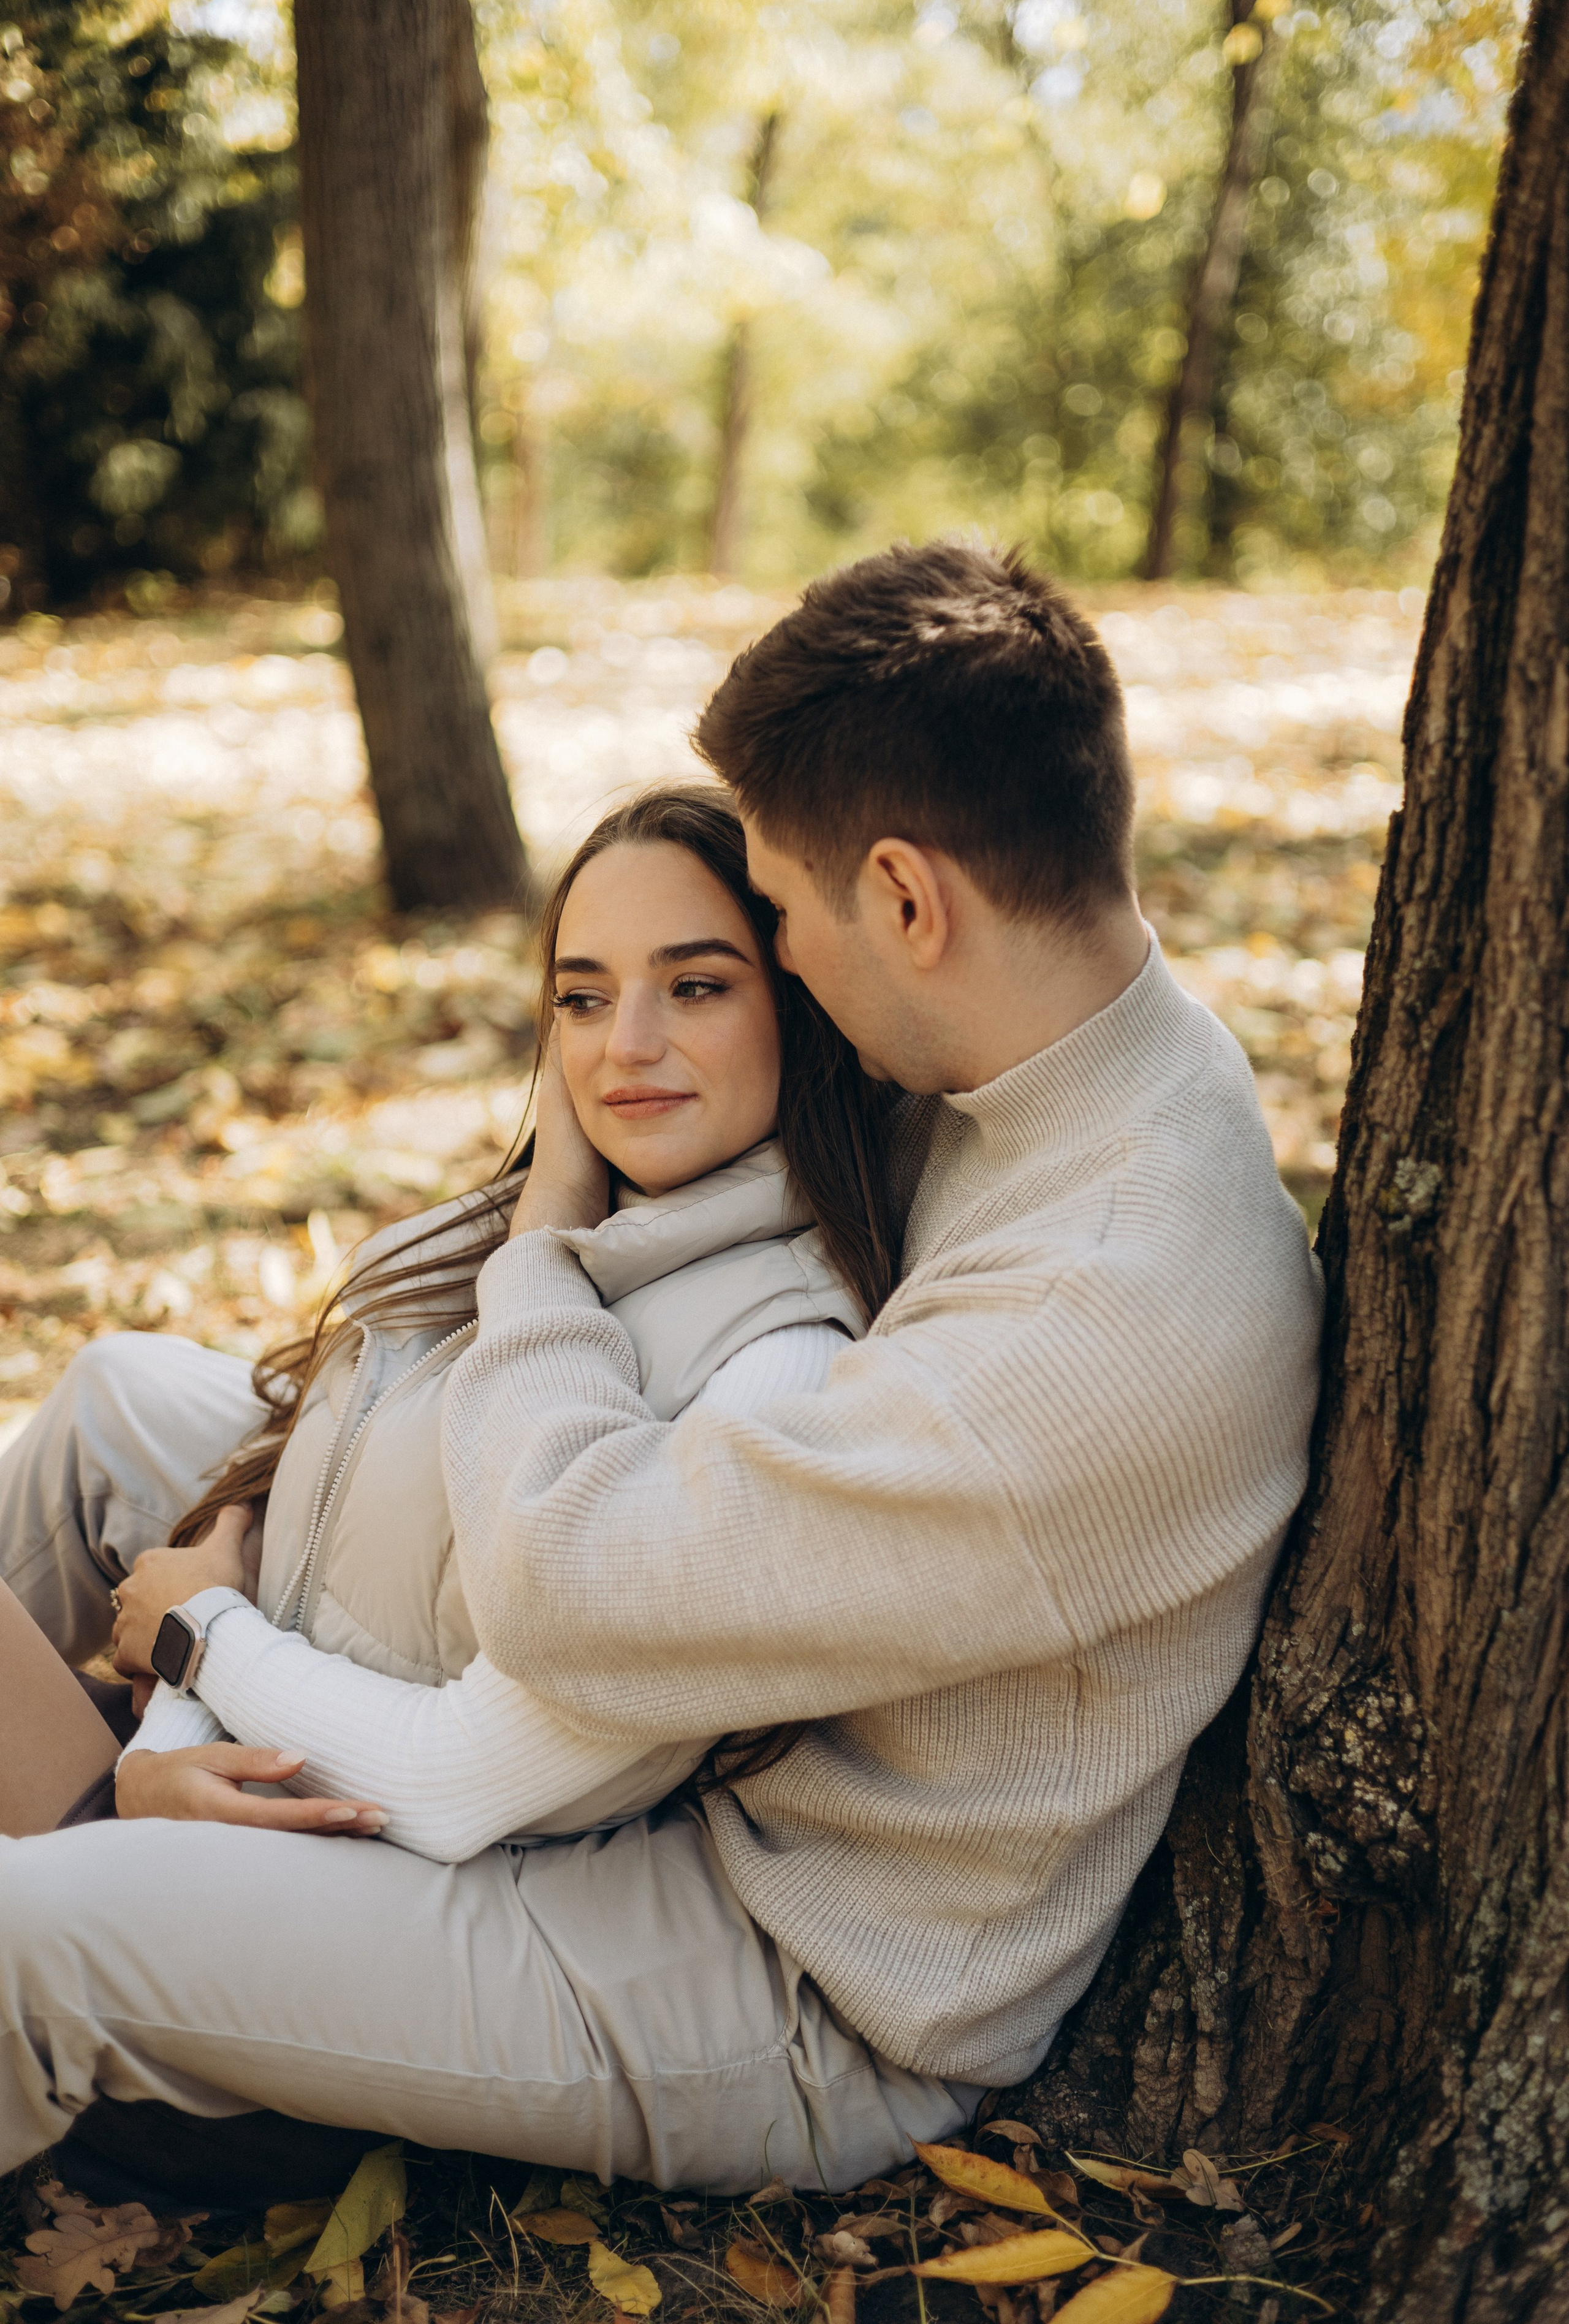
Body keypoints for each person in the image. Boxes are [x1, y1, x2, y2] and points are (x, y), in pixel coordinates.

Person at [0, 541, 1323, 2201]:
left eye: (773, 913)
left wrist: (543, 1240)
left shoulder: (1094, 1323)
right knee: (122, 1407)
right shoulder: (1065, 1037)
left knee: (28, 1931)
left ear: (909, 902)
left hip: (780, 1962)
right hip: (706, 1731)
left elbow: (565, 1596)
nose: (771, 954)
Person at [0, 784, 889, 1863]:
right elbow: (286, 1510)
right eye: (584, 1000)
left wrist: (196, 1661)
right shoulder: (566, 1218)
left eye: (695, 987)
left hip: (351, 1849)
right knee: (114, 1387)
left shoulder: (777, 1361)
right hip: (236, 1738)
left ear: (802, 1010)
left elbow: (465, 1779)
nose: (628, 1047)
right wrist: (169, 1737)